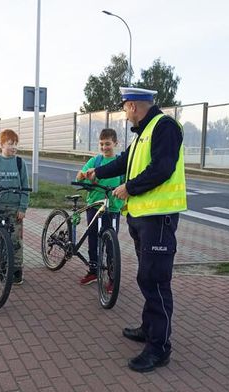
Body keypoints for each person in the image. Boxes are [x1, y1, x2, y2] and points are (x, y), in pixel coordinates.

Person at [83, 87, 186, 373]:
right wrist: (97, 172)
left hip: (159, 219)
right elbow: (125, 160)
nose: (125, 113)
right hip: (143, 217)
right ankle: (148, 327)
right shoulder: (145, 132)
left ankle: (159, 348)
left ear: (133, 106)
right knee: (146, 276)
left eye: (125, 108)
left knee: (155, 281)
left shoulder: (164, 127)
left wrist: (130, 187)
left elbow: (163, 168)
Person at [75, 128, 123, 287]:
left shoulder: (120, 162)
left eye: (108, 144)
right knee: (93, 239)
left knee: (110, 243)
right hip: (94, 206)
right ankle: (93, 270)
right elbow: (80, 177)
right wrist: (82, 175)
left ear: (116, 143)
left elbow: (125, 183)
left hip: (113, 209)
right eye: (101, 144)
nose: (104, 147)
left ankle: (112, 277)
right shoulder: (95, 161)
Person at [0, 129, 30, 285]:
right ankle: (3, 268)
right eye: (10, 144)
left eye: (15, 144)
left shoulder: (20, 163)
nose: (13, 147)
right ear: (2, 144)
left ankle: (16, 272)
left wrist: (22, 208)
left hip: (15, 209)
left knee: (15, 240)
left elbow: (25, 187)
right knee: (0, 240)